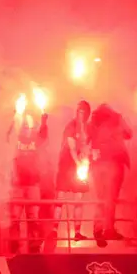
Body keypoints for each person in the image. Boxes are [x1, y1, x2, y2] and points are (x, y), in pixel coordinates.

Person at [87, 104, 133, 247]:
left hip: (97, 164)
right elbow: (129, 133)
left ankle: (98, 228)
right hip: (113, 163)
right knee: (110, 198)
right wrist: (120, 118)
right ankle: (108, 229)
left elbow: (85, 140)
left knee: (101, 198)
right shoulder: (116, 120)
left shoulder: (93, 123)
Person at [8, 111, 49, 252]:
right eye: (25, 126)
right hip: (17, 185)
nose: (27, 128)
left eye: (29, 126)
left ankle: (34, 244)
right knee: (15, 216)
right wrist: (15, 117)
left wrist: (44, 121)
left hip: (32, 184)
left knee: (33, 216)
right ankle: (14, 245)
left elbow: (43, 135)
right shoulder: (16, 139)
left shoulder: (35, 139)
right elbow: (9, 134)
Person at [55, 101, 91, 243]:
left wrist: (88, 158)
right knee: (60, 199)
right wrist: (79, 165)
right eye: (79, 111)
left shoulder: (88, 128)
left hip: (79, 166)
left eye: (83, 112)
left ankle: (77, 232)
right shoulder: (71, 126)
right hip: (66, 166)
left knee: (79, 199)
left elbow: (88, 145)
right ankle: (54, 229)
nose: (81, 114)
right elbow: (71, 147)